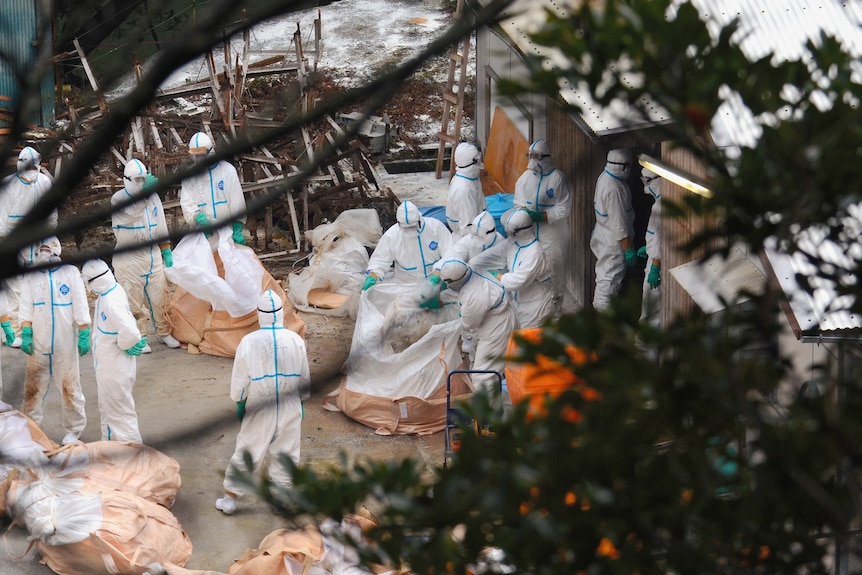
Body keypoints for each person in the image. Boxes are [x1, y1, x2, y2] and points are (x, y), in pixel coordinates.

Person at [215, 289, 311, 515]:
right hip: (289, 403)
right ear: (280, 314)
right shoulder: (295, 340)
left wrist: (239, 401)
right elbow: (304, 376)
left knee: (249, 448)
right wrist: (302, 400)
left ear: (260, 315)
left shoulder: (248, 342)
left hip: (260, 404)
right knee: (287, 451)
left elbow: (240, 379)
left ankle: (230, 498)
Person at [17, 237, 91, 445]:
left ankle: (74, 429)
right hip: (38, 345)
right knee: (32, 390)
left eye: (47, 249)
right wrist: (26, 333)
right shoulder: (30, 276)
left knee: (70, 387)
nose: (43, 253)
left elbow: (80, 304)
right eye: (40, 249)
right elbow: (25, 308)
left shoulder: (70, 273)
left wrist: (84, 331)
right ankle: (32, 431)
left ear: (57, 250)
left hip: (64, 343)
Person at [111, 158, 180, 353]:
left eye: (144, 180)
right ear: (127, 180)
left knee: (161, 296)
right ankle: (138, 337)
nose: (141, 184)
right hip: (129, 259)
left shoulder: (153, 197)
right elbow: (131, 214)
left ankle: (164, 331)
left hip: (152, 255)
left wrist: (166, 250)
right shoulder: (118, 200)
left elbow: (160, 224)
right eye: (137, 180)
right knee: (133, 300)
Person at [82, 259, 147, 443]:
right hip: (109, 365)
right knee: (109, 411)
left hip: (115, 368)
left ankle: (136, 460)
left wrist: (126, 344)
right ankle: (110, 451)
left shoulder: (111, 301)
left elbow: (131, 332)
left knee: (121, 416)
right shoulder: (112, 290)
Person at [0, 146, 58, 348]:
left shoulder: (44, 183)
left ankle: (35, 327)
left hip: (38, 241)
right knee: (14, 288)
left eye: (35, 167)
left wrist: (47, 244)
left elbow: (51, 217)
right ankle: (13, 332)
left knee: (38, 286)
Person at [438, 258, 518, 395]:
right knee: (498, 365)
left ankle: (486, 413)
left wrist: (463, 314)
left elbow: (470, 323)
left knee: (483, 376)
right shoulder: (472, 273)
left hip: (496, 329)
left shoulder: (472, 296)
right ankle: (497, 400)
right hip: (503, 317)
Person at [512, 139, 572, 313]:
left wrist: (543, 216)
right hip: (530, 234)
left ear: (547, 157)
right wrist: (525, 213)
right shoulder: (525, 178)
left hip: (553, 235)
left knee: (555, 272)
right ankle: (536, 311)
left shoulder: (558, 179)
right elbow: (518, 202)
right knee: (532, 271)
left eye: (536, 157)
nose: (532, 161)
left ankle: (556, 313)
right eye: (530, 156)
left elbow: (564, 208)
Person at [362, 200, 453, 290]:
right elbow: (380, 260)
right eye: (406, 228)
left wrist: (439, 272)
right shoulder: (392, 236)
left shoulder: (435, 227)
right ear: (399, 224)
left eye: (413, 227)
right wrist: (373, 275)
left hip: (436, 284)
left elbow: (450, 253)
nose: (410, 231)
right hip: (406, 288)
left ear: (419, 220)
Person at [180, 132, 247, 249]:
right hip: (202, 236)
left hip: (227, 235)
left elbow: (237, 201)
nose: (199, 159)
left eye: (201, 155)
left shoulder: (227, 171)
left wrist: (237, 229)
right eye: (196, 156)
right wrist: (197, 216)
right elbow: (187, 202)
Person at [590, 148, 636, 310]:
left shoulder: (606, 177)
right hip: (613, 241)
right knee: (609, 279)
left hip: (603, 234)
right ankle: (603, 318)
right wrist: (628, 249)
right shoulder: (614, 188)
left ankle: (602, 315)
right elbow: (619, 224)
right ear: (622, 167)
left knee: (605, 276)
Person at [499, 209, 554, 329]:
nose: (510, 235)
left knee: (531, 342)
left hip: (535, 307)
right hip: (520, 302)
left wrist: (499, 277)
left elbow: (519, 280)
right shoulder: (515, 245)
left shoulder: (534, 252)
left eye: (512, 232)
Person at [446, 142, 486, 240]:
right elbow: (467, 228)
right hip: (468, 239)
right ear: (472, 163)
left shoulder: (469, 178)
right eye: (478, 160)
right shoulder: (463, 189)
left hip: (477, 229)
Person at [638, 167, 662, 326]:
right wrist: (648, 248)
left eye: (648, 181)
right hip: (654, 260)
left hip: (657, 265)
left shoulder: (661, 206)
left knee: (650, 307)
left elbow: (661, 239)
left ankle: (645, 347)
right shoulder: (659, 203)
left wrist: (655, 265)